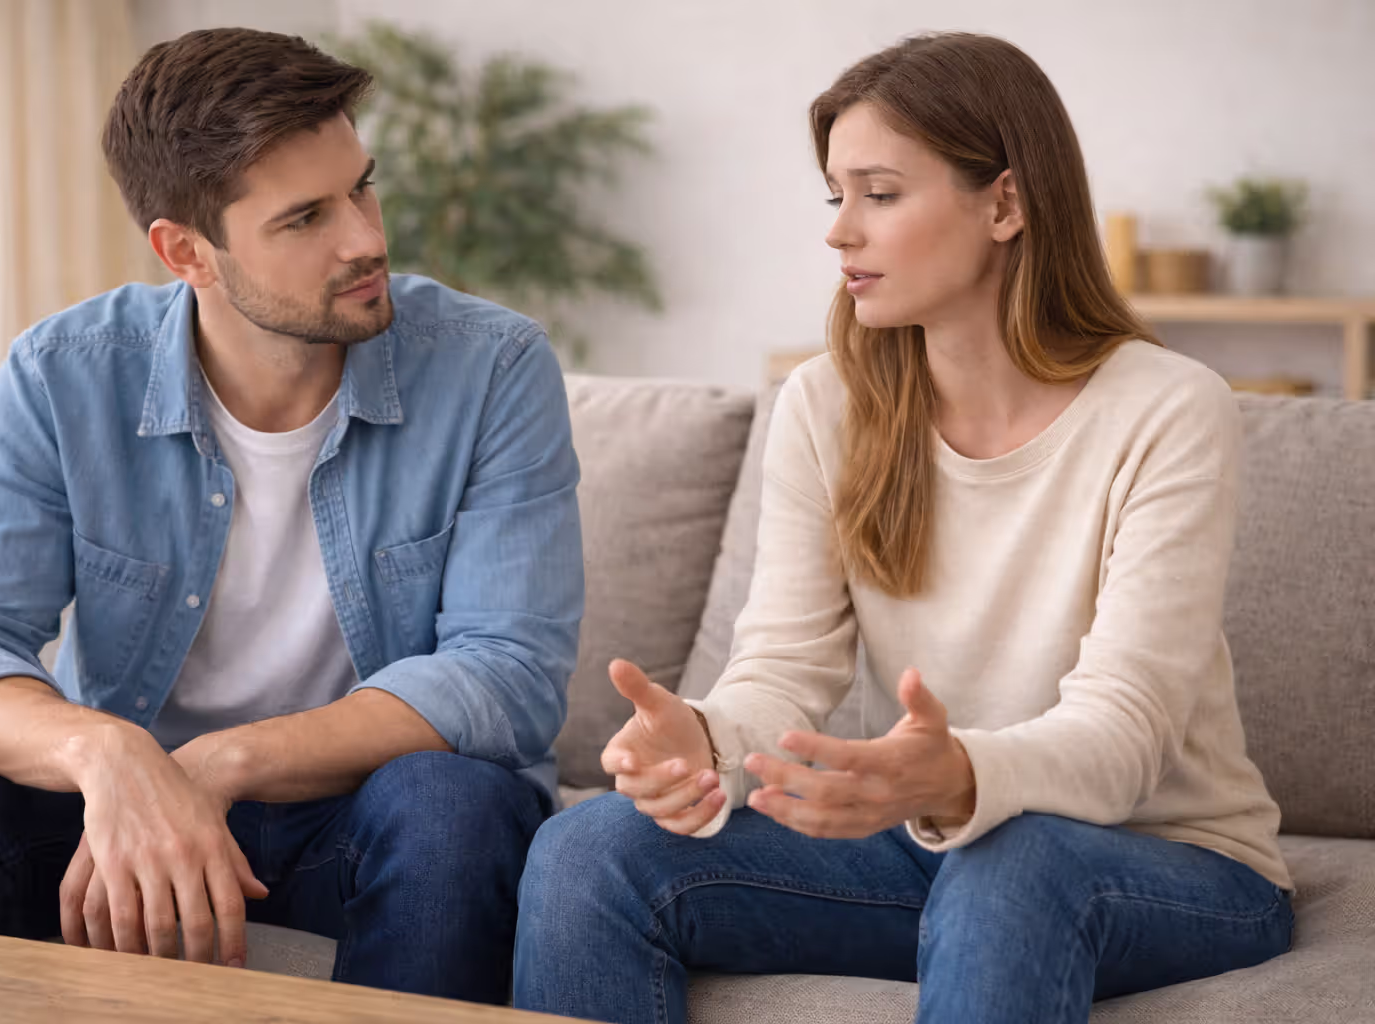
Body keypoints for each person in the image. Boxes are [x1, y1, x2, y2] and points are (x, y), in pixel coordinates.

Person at [512, 32, 1291, 1024]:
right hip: (937, 840)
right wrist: (702, 744)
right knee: (590, 849)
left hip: (1172, 861)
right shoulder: (826, 404)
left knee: (1014, 856)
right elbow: (786, 670)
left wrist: (960, 773)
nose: (840, 232)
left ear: (1005, 203)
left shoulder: (1168, 408)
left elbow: (1126, 733)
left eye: (879, 193)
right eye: (834, 195)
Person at [0, 27, 583, 1005]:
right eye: (306, 216)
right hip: (121, 805)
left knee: (454, 808)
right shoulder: (62, 375)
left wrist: (219, 764)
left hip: (357, 810)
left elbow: (509, 676)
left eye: (361, 186)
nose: (366, 237)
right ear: (186, 250)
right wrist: (110, 756)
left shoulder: (491, 368)